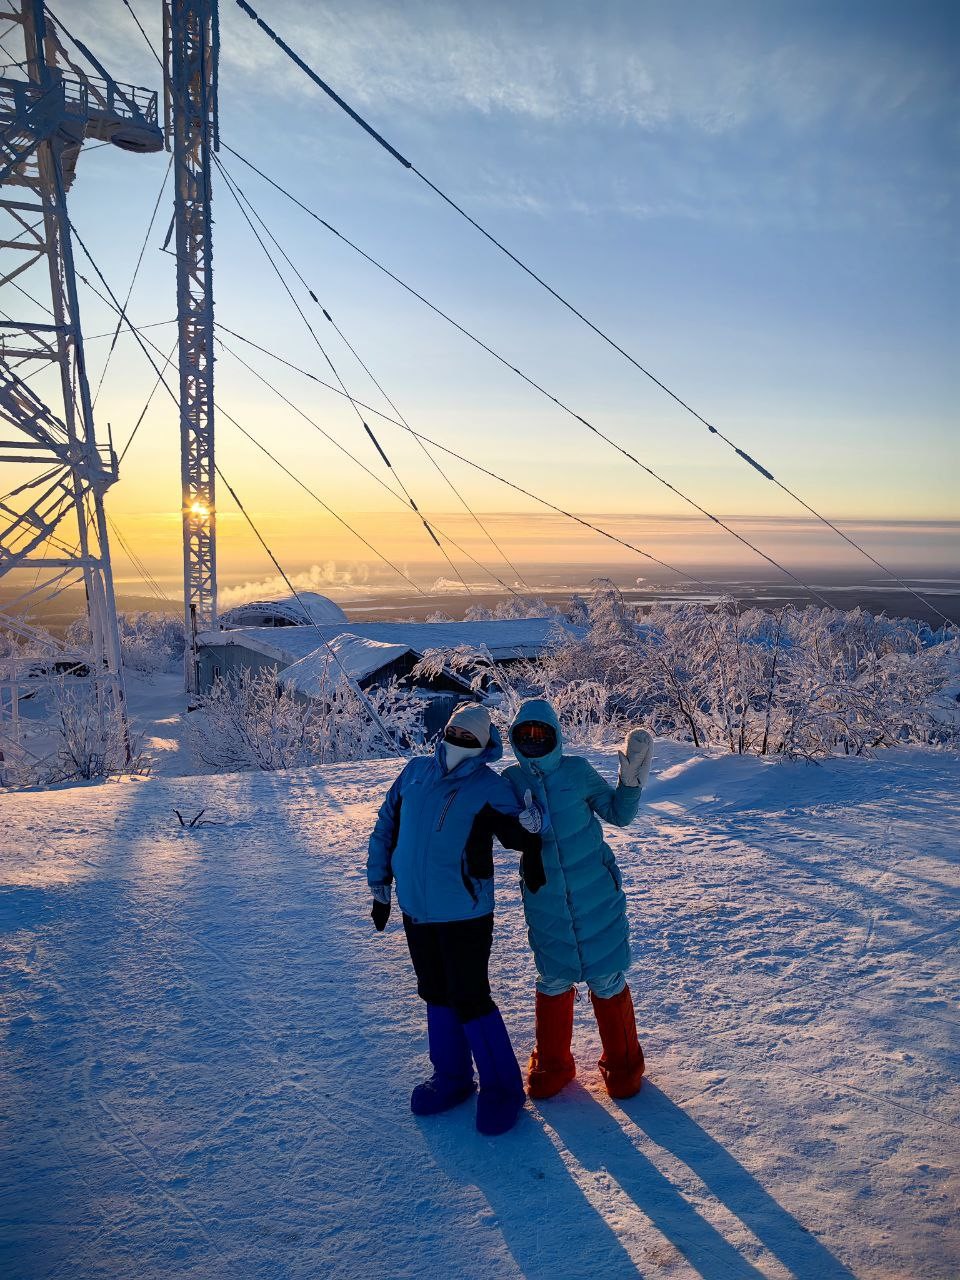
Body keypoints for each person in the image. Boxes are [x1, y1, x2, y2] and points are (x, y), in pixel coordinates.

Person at [367, 703, 546, 1136]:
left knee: (470, 996)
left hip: (465, 911)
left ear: (485, 744)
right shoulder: (413, 773)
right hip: (417, 909)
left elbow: (519, 832)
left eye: (471, 737)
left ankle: (503, 1089)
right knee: (434, 992)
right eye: (454, 733)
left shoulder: (487, 785)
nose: (460, 742)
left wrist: (531, 827)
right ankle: (452, 1078)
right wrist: (379, 885)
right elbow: (386, 825)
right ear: (444, 732)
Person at [503, 698, 654, 1100]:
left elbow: (619, 815)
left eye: (542, 734)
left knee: (607, 979)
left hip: (595, 894)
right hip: (545, 899)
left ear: (556, 736)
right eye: (526, 735)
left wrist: (631, 780)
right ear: (514, 739)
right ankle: (553, 1066)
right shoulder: (511, 781)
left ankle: (624, 1067)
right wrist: (517, 828)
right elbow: (499, 830)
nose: (534, 741)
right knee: (553, 980)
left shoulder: (577, 771)